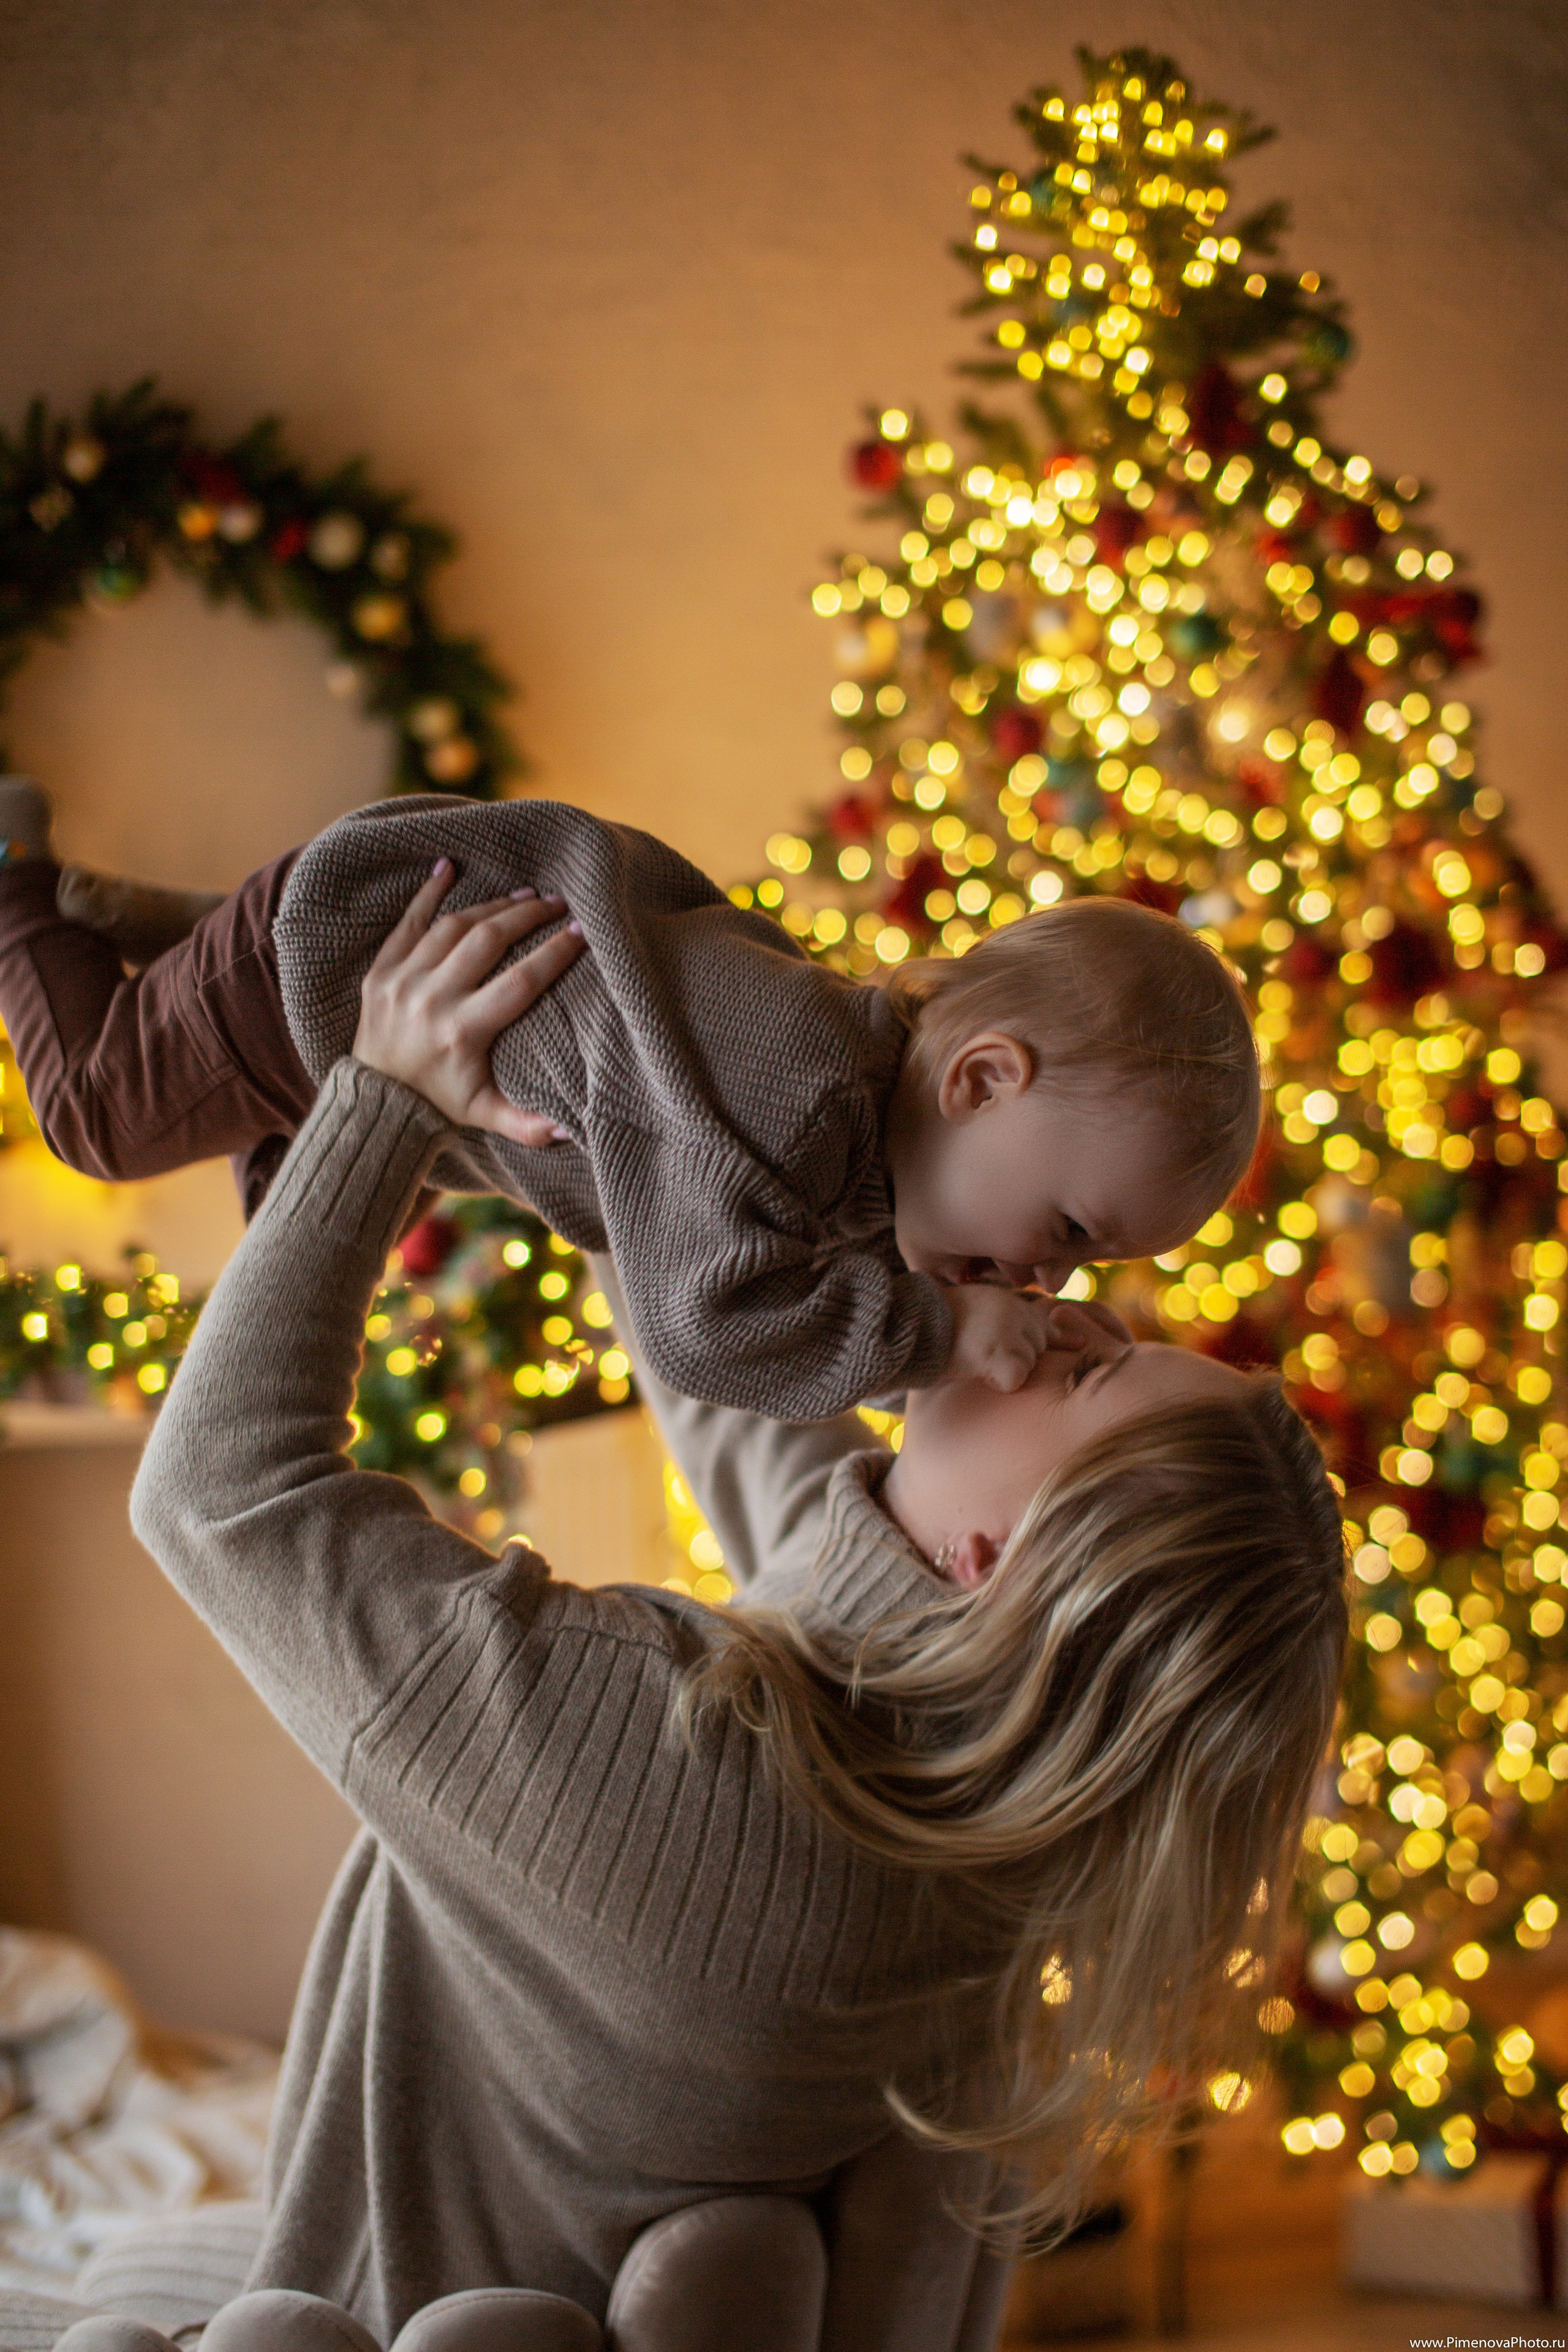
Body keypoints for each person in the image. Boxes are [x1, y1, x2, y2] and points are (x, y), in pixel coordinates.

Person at [0, 880, 1345, 2352]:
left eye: (1090, 1373)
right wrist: (671, 1111)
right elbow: (737, 1404)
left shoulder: (688, 1775)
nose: (1061, 1307)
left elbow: (215, 1494)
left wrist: (383, 1101)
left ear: (994, 1565)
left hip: (341, 2317)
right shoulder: (946, 1817)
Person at [0, 778, 1261, 1416]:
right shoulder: (801, 1103)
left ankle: (162, 934)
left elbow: (787, 1287)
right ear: (982, 1079)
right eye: (1074, 1232)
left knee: (305, 1227)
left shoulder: (868, 1131)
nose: (1046, 1280)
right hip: (319, 988)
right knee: (98, 1120)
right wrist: (934, 1340)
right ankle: (17, 885)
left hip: (373, 970)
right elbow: (701, 1330)